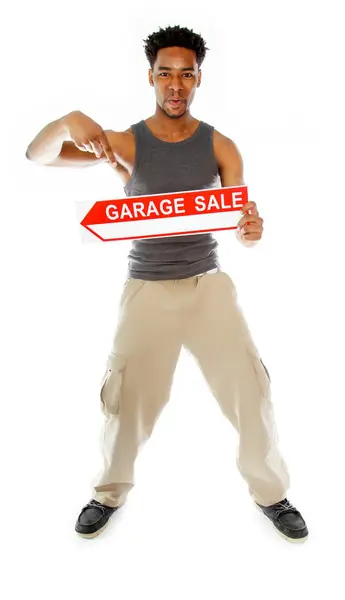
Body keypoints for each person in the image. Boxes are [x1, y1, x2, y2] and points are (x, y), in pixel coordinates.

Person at [25, 25, 308, 543]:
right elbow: (36, 156)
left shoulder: (221, 145)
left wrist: (251, 228)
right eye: (164, 74)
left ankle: (272, 494)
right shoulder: (126, 144)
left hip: (208, 286)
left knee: (251, 391)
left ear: (199, 78)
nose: (175, 85)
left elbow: (238, 218)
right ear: (150, 78)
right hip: (147, 288)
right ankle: (108, 493)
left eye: (186, 74)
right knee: (127, 399)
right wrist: (67, 121)